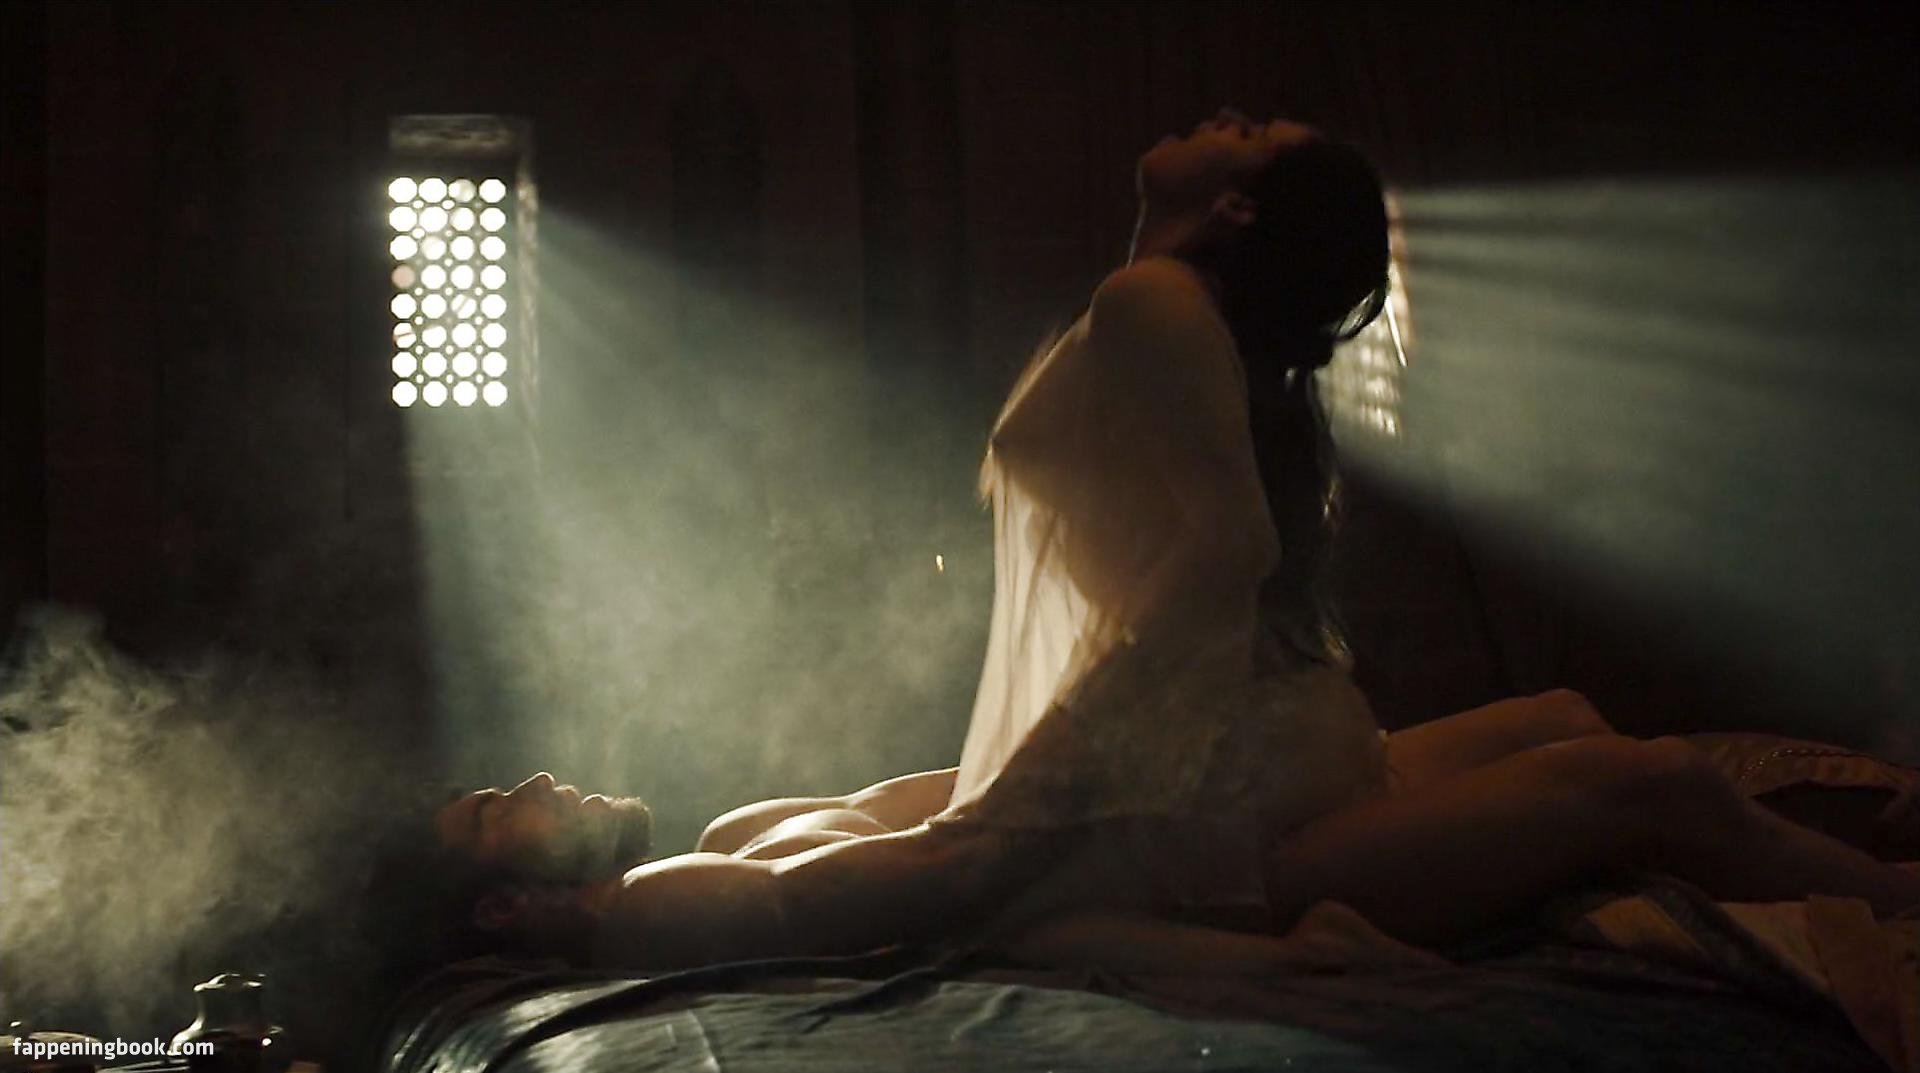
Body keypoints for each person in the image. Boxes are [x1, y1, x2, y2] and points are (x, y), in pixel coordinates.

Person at [427, 109, 1920, 974]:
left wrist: (1049, 791)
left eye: (1242, 131)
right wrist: (1010, 802)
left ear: (1234, 202)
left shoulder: (1152, 304)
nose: (1220, 115)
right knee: (1595, 740)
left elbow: (1221, 558)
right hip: (1250, 780)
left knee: (1634, 774)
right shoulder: (1159, 311)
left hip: (1225, 792)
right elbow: (1205, 568)